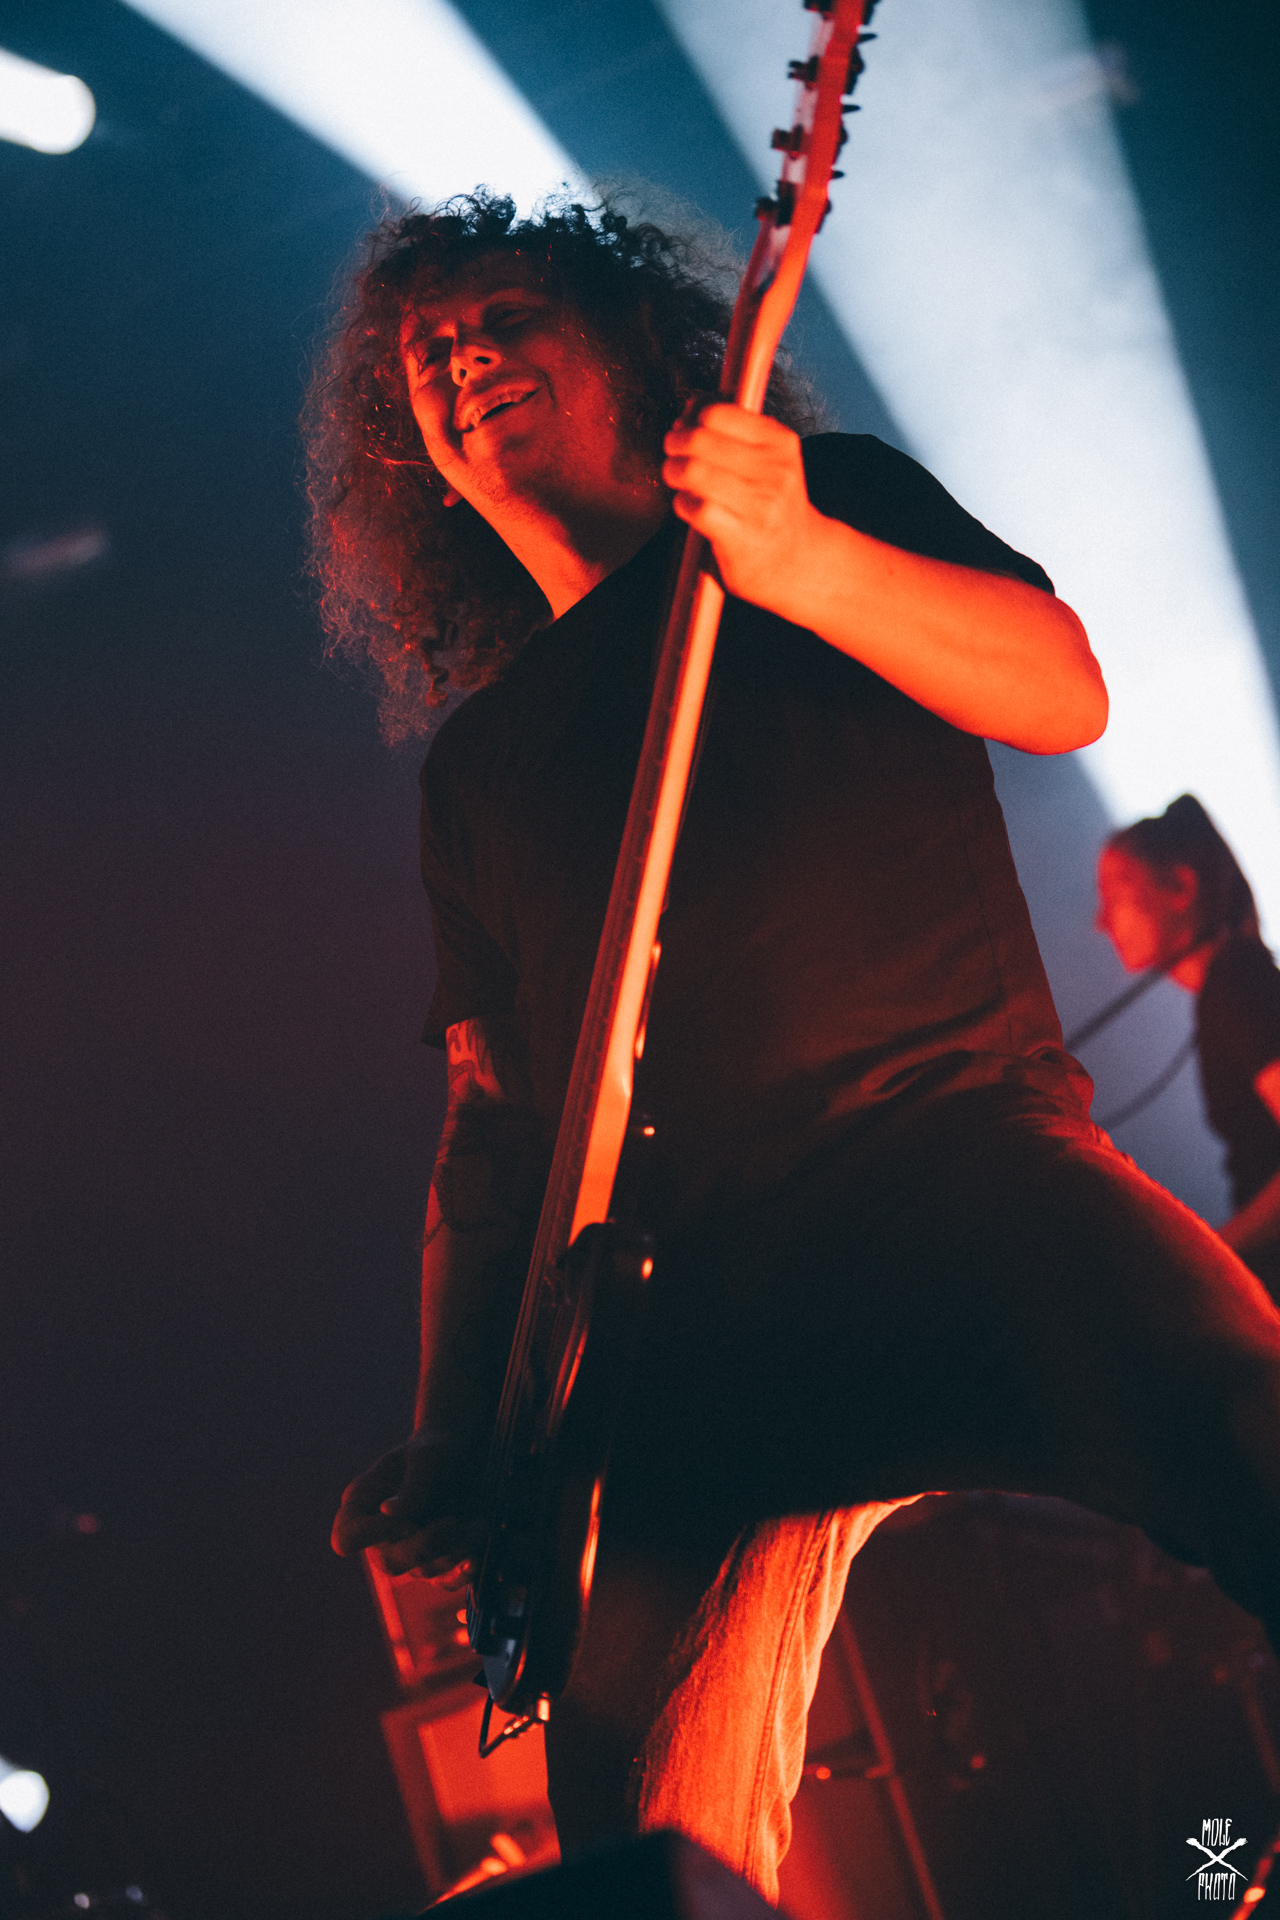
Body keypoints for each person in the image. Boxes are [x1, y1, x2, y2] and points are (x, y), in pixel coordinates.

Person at [309, 192, 1280, 1901]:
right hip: (697, 1322)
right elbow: (495, 1128)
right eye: (428, 351)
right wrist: (454, 1430)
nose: (465, 361)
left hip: (969, 1170)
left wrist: (802, 560)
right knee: (639, 1846)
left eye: (509, 316)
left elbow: (1062, 690)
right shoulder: (478, 768)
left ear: (632, 351)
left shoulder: (829, 502)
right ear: (419, 459)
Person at [1096, 794, 1280, 1296]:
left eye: (1115, 895)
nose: (1101, 921)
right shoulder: (1233, 980)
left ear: (1180, 886)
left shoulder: (1235, 981)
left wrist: (1211, 1255)